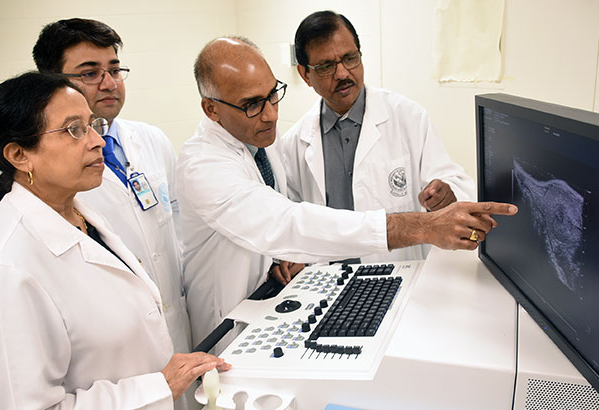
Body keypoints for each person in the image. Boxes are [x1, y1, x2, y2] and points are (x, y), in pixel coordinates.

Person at [177, 36, 517, 347]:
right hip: (226, 327)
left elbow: (273, 216)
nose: (270, 114)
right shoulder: (202, 165)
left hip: (282, 304)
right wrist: (422, 227)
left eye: (272, 95)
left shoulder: (259, 142)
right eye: (252, 104)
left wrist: (284, 255)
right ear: (212, 109)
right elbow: (284, 221)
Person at [0, 71, 229, 410]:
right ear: (19, 155)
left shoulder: (79, 215)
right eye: (74, 130)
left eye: (92, 125)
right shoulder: (5, 270)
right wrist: (157, 387)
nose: (97, 141)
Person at [0, 19, 192, 357]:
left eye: (114, 69)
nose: (109, 83)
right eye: (90, 73)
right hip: (102, 351)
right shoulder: (22, 168)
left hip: (171, 323)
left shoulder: (151, 139)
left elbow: (176, 218)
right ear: (52, 82)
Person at [281, 10, 475, 263]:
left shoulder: (408, 117)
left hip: (398, 270)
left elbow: (454, 182)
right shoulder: (293, 143)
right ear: (305, 74)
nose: (342, 74)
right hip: (327, 280)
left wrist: (446, 197)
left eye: (350, 58)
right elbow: (289, 219)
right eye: (327, 66)